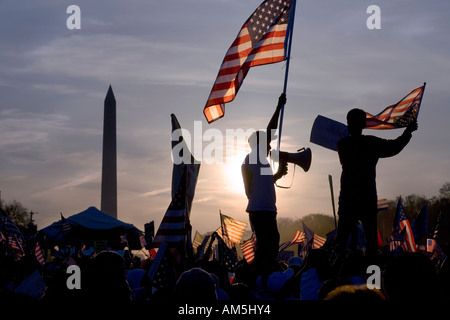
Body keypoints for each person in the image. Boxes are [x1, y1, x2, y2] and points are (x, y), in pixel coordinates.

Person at [334, 108, 418, 264]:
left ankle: (338, 277)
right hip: (367, 200)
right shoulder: (371, 143)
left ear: (349, 124)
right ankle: (373, 282)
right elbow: (395, 146)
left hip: (348, 200)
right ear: (364, 124)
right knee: (372, 246)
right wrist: (408, 131)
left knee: (342, 243)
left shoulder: (343, 144)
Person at [241, 93, 289, 287]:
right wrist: (278, 107)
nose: (270, 146)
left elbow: (255, 187)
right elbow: (270, 130)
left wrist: (276, 175)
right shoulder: (254, 157)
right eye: (266, 143)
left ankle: (262, 278)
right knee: (267, 247)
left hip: (263, 209)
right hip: (261, 210)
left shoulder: (257, 161)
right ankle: (260, 280)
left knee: (269, 246)